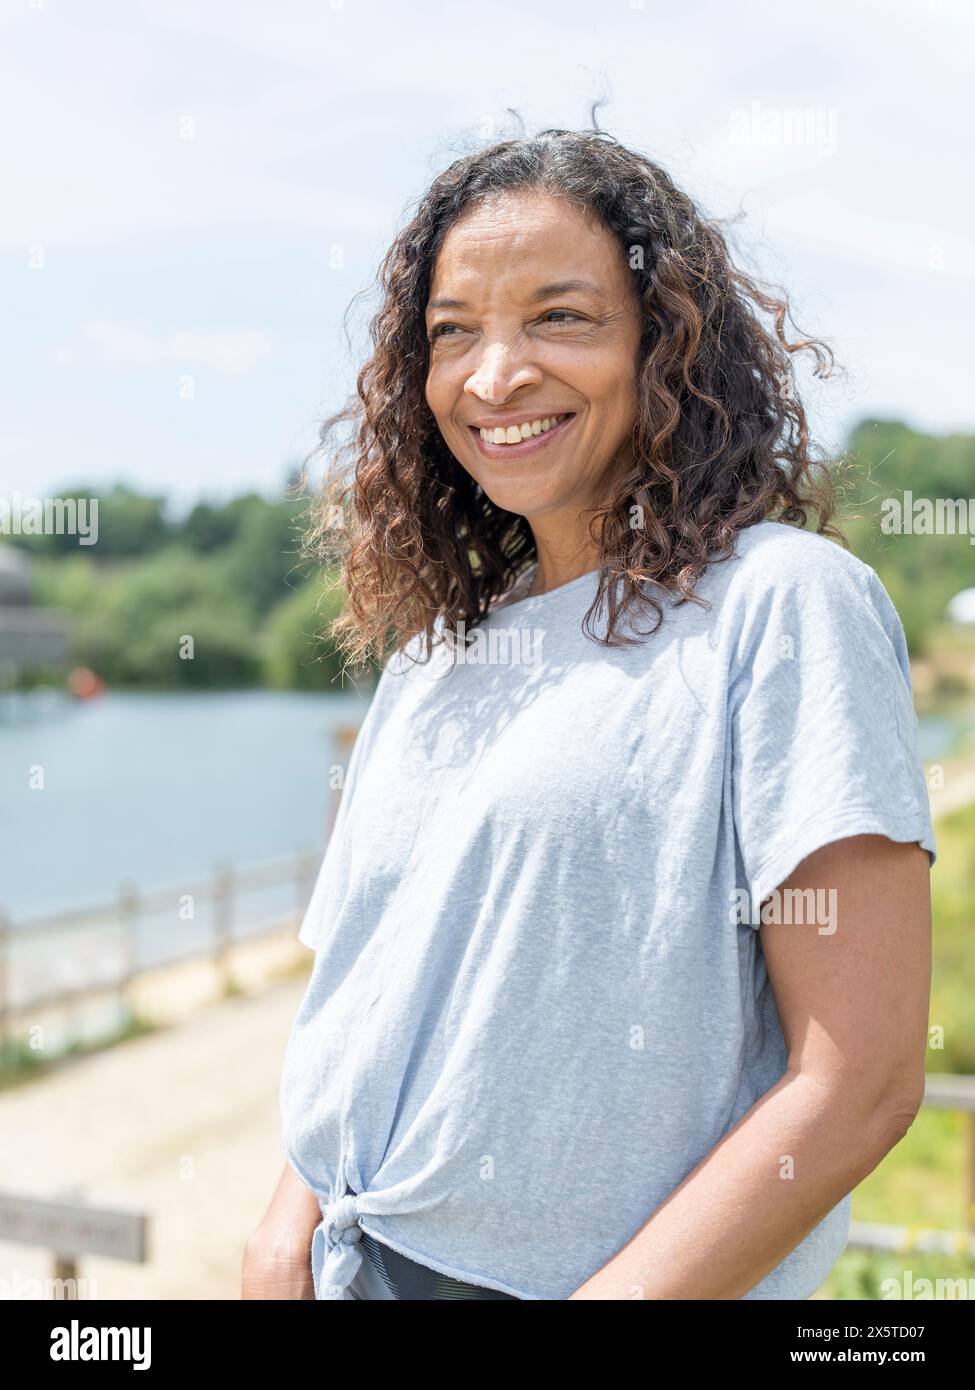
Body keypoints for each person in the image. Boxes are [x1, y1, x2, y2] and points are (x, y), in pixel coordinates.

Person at [241, 128, 936, 1301]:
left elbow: (860, 1076)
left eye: (560, 317)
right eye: (452, 330)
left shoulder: (782, 604)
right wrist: (282, 1227)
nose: (495, 374)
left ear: (667, 346)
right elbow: (371, 990)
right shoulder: (433, 657)